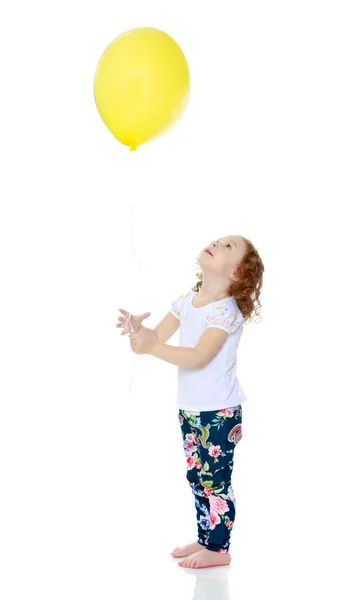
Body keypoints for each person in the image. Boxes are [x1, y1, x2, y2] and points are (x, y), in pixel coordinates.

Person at [116, 235, 264, 569]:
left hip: (220, 411)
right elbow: (158, 337)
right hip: (190, 407)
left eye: (229, 247)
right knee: (197, 478)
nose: (217, 243)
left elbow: (198, 356)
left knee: (216, 482)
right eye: (220, 240)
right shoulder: (187, 301)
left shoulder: (226, 313)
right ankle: (204, 538)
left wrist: (151, 348)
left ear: (238, 273)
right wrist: (140, 330)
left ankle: (219, 547)